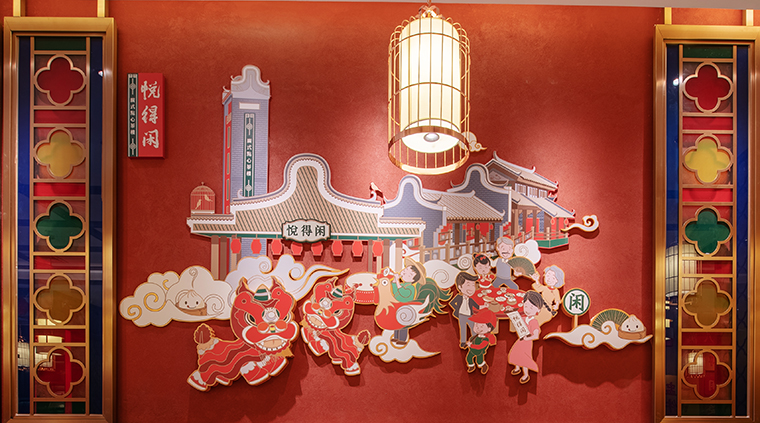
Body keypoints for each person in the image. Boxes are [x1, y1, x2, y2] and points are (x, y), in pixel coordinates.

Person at [508, 291, 549, 384]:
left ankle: (525, 374)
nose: (528, 310)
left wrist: (527, 338)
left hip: (526, 343)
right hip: (520, 340)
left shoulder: (533, 322)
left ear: (538, 310)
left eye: (531, 307)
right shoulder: (523, 317)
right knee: (515, 353)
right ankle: (517, 368)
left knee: (524, 358)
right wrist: (511, 311)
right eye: (526, 306)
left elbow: (536, 335)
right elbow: (516, 320)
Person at [391, 259, 424, 345]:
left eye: (409, 274)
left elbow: (404, 293)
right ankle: (396, 337)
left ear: (413, 279)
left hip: (405, 308)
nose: (404, 273)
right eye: (405, 270)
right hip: (398, 307)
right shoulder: (402, 285)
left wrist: (397, 282)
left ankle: (402, 339)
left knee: (403, 325)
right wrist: (394, 281)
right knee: (396, 323)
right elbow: (395, 291)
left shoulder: (410, 287)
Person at [449, 272, 480, 348]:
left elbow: (477, 306)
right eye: (468, 285)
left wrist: (484, 306)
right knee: (463, 328)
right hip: (461, 315)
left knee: (473, 328)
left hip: (470, 315)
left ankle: (474, 340)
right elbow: (451, 303)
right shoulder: (459, 297)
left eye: (473, 285)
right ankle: (463, 341)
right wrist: (457, 309)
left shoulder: (471, 299)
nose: (471, 288)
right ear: (460, 287)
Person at [465, 308, 497, 374]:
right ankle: (471, 366)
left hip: (479, 352)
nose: (477, 328)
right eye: (476, 325)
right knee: (468, 358)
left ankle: (483, 366)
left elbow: (480, 346)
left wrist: (471, 345)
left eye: (481, 326)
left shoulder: (485, 339)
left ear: (489, 328)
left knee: (479, 361)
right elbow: (472, 339)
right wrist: (470, 342)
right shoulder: (475, 336)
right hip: (472, 350)